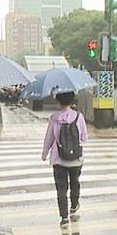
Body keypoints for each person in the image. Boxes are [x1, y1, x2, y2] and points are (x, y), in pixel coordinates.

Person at [42, 92, 88, 227]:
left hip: (59, 159)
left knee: (61, 189)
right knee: (75, 182)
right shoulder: (79, 117)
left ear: (58, 102)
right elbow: (85, 138)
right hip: (76, 159)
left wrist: (44, 153)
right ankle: (74, 206)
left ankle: (64, 218)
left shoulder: (54, 118)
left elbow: (49, 138)